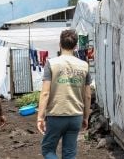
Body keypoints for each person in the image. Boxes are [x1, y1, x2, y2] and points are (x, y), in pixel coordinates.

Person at [37, 29, 92, 159]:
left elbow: (45, 93)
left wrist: (40, 117)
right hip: (76, 116)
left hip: (56, 115)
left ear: (60, 44)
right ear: (76, 46)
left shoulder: (51, 63)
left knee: (48, 150)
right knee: (69, 153)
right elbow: (88, 95)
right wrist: (86, 117)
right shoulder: (84, 65)